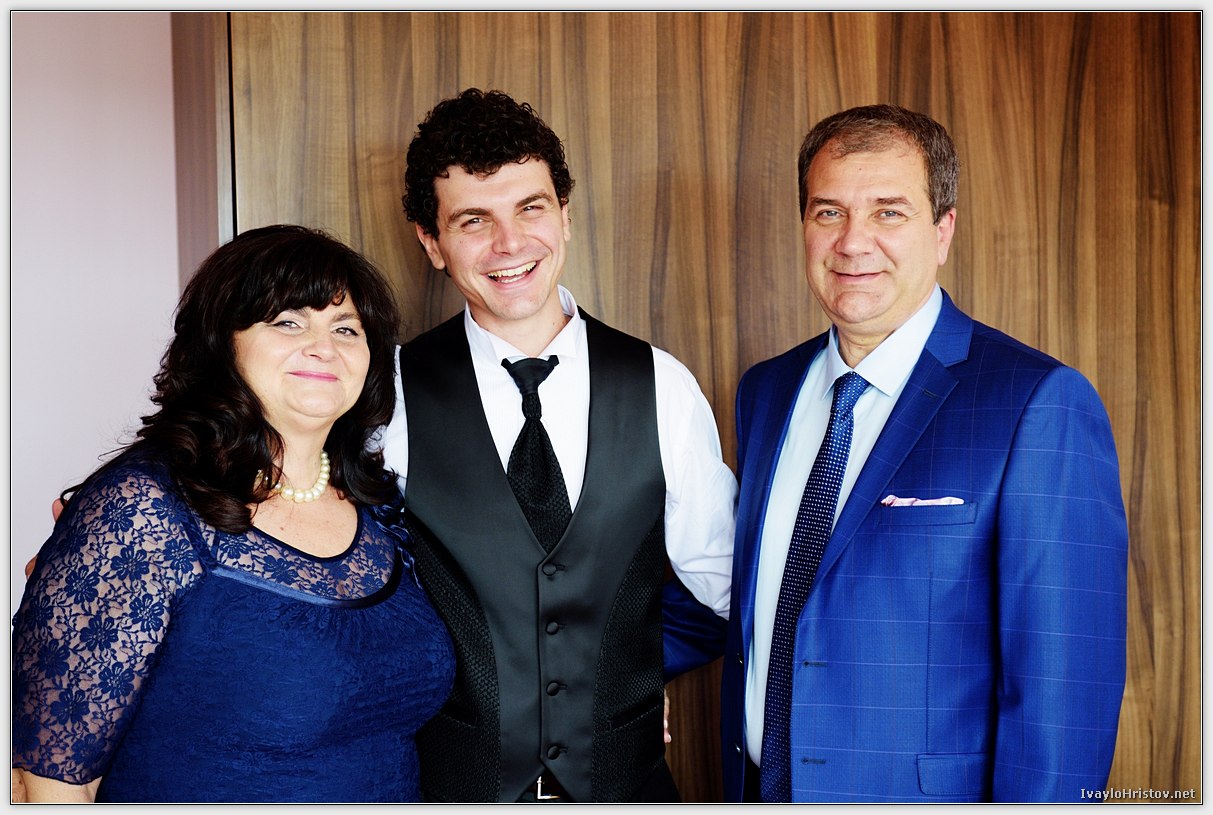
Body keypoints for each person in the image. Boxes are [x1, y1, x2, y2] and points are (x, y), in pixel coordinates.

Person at [720, 105, 1128, 803]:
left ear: (942, 231)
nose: (853, 242)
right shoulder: (766, 390)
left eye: (888, 213)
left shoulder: (1036, 402)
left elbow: (1063, 694)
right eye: (828, 213)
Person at [11, 225, 455, 803]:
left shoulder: (380, 508)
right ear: (222, 343)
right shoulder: (143, 507)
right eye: (288, 322)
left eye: (346, 328)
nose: (323, 347)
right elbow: (50, 782)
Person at [385, 88, 735, 803]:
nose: (510, 244)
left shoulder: (661, 385)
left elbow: (726, 586)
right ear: (431, 242)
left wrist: (622, 674)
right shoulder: (384, 397)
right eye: (474, 220)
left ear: (565, 215)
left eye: (531, 208)